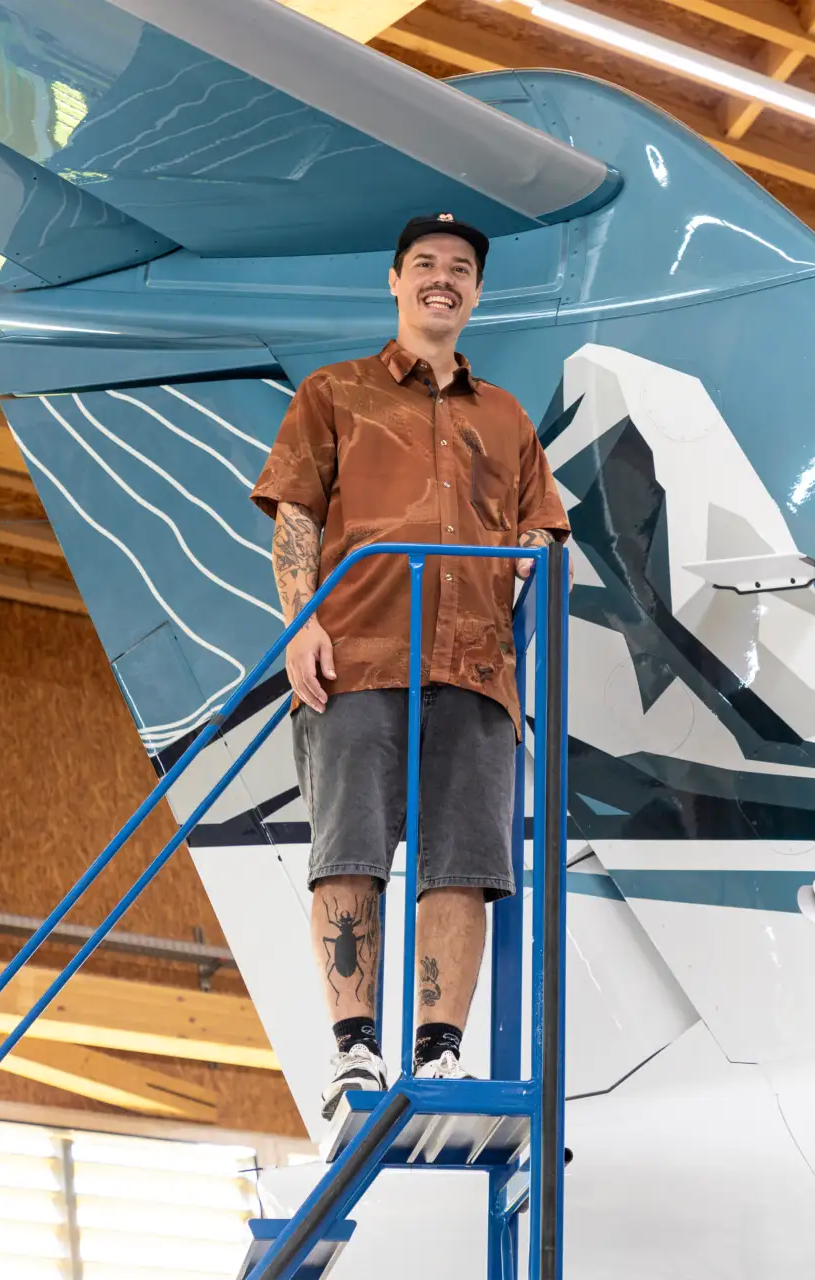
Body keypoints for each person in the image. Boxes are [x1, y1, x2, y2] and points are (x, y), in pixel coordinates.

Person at [249, 212, 569, 1119]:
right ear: (394, 281)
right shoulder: (334, 392)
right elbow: (296, 516)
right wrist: (301, 623)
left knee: (464, 865)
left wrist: (526, 566)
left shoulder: (507, 417)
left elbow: (545, 529)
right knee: (348, 851)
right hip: (357, 657)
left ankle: (440, 1052)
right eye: (425, 263)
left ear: (476, 292)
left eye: (460, 268)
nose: (442, 278)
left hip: (475, 670)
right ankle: (355, 1049)